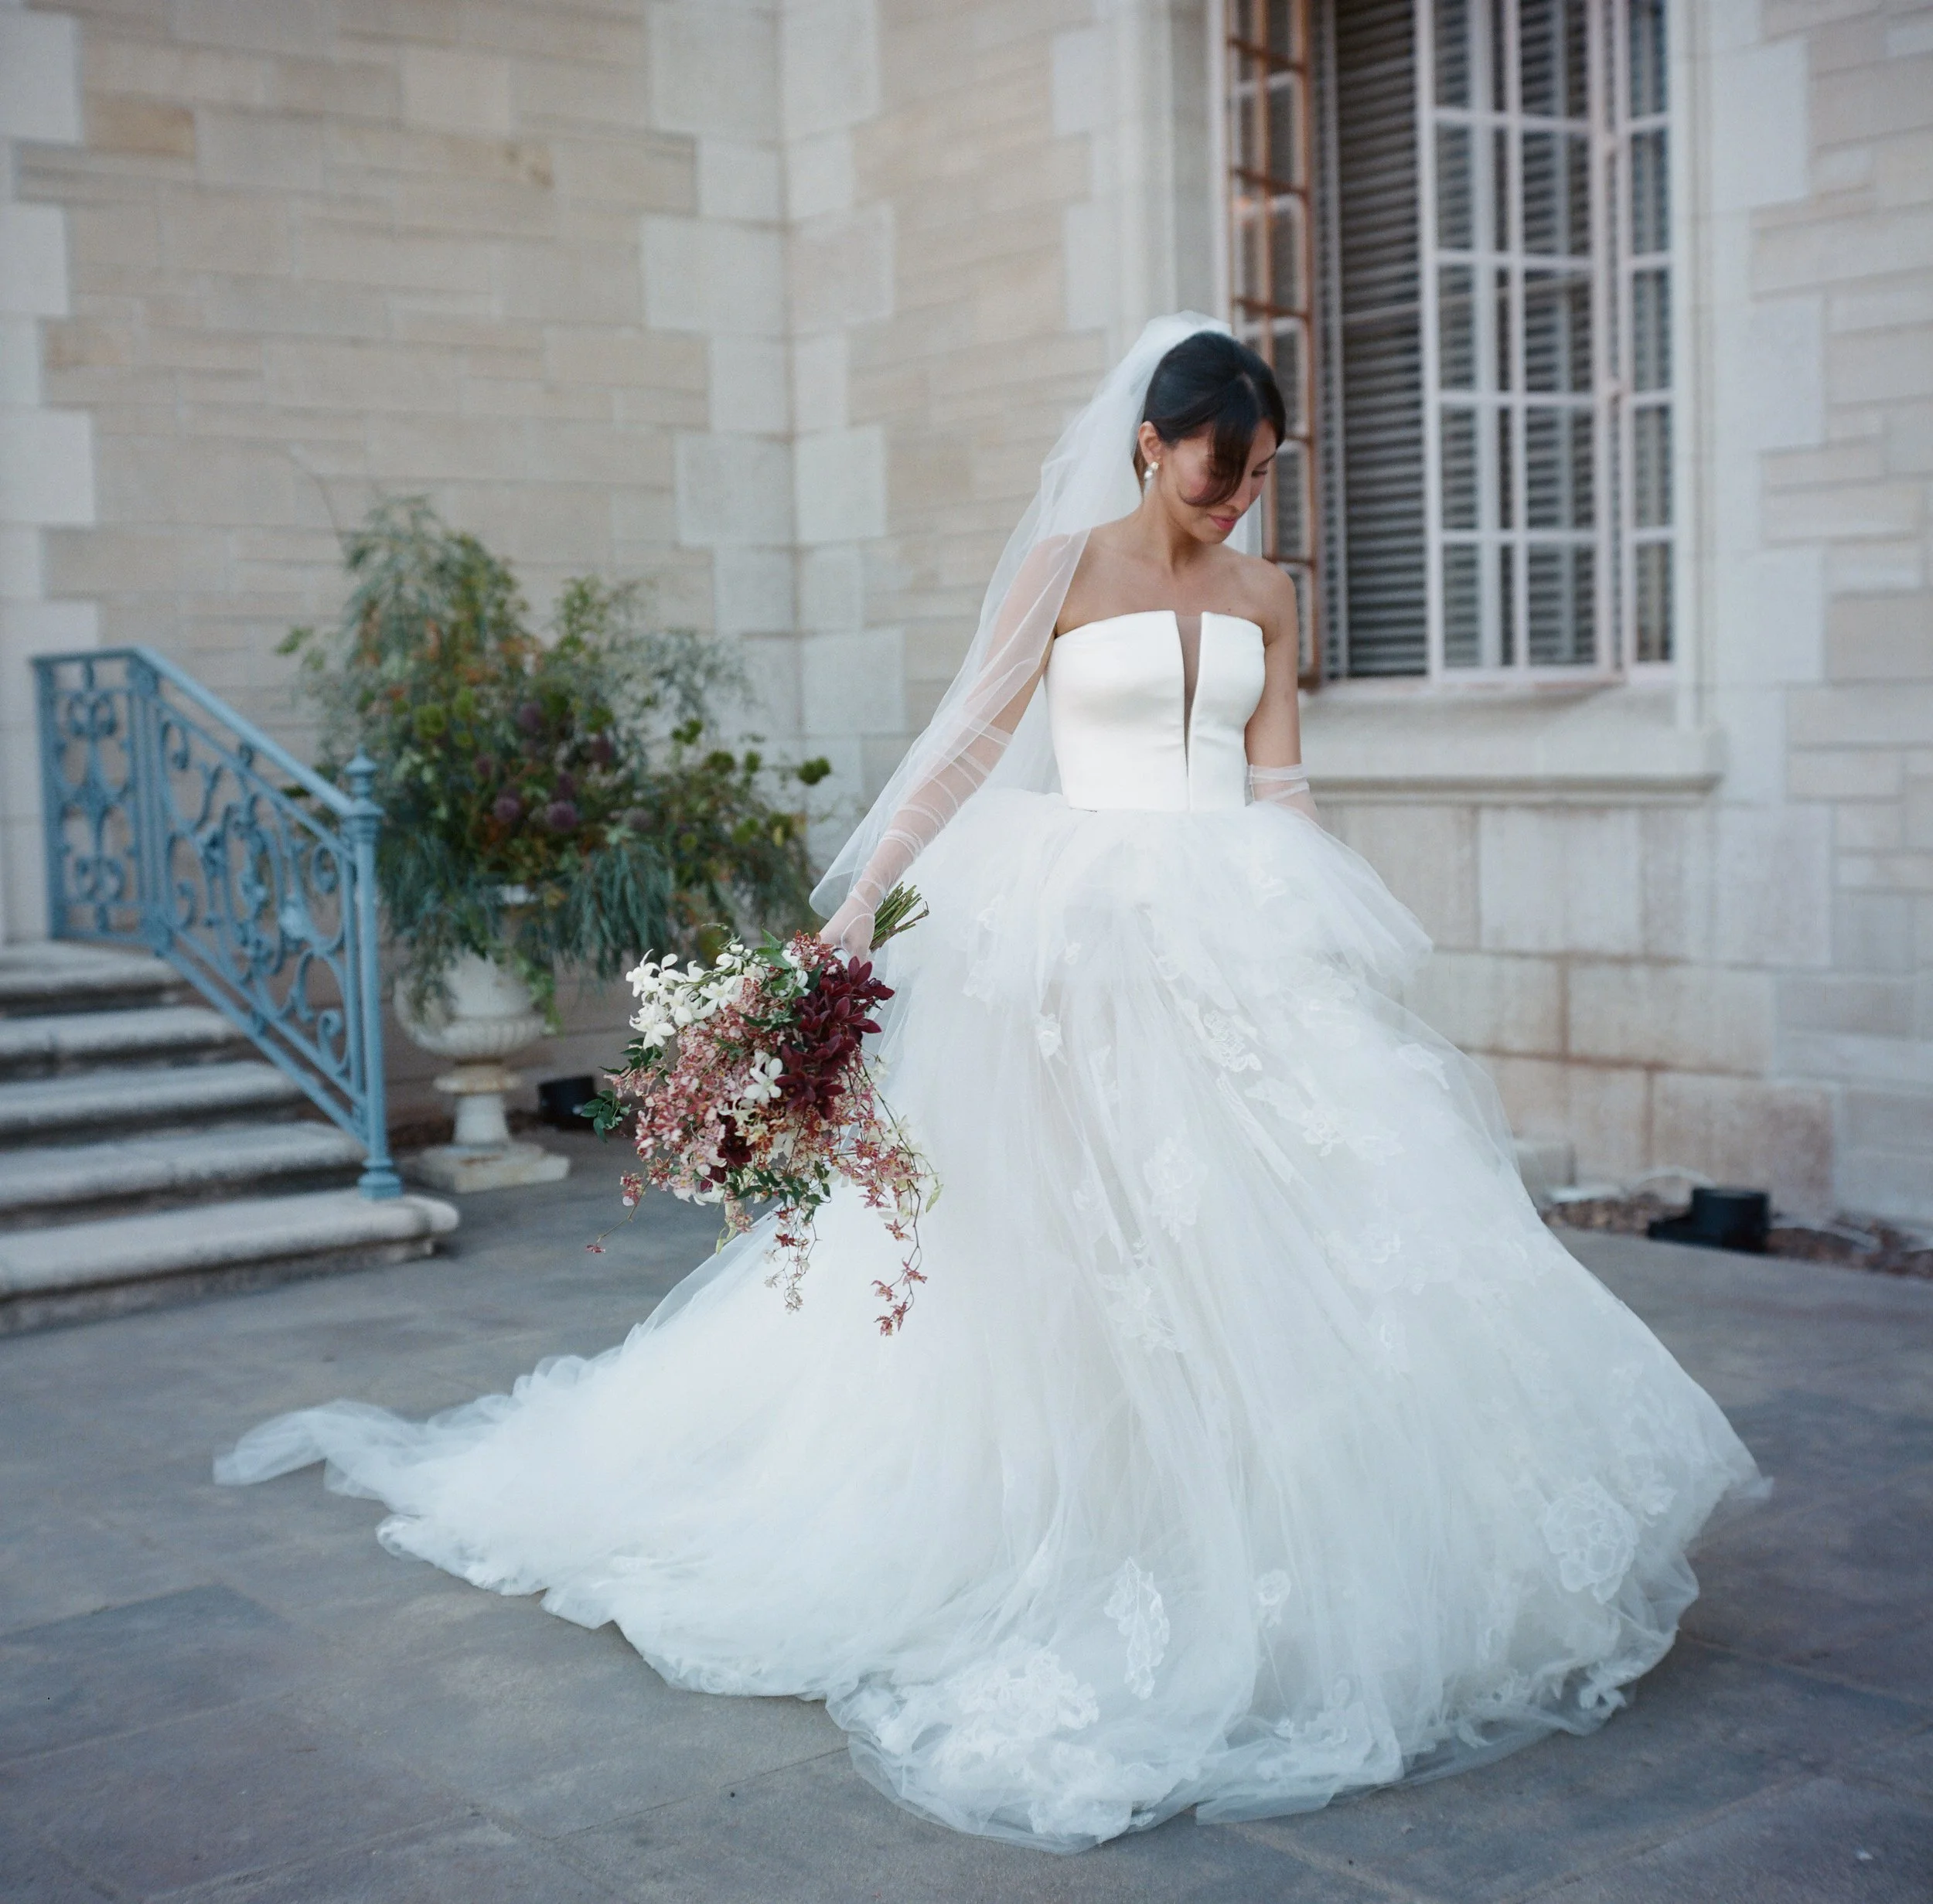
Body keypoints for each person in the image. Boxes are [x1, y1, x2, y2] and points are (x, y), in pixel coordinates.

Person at [218, 316, 1764, 1855]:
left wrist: (1318, 923)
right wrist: (852, 910)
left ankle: (1265, 1522)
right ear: (1146, 444)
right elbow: (962, 750)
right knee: (1081, 1246)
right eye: (1210, 477)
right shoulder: (1065, 570)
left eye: (1255, 483)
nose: (1230, 506)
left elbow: (1281, 778)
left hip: (1230, 928)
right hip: (1066, 936)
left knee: (1282, 1235)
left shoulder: (1266, 594)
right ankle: (1087, 1516)